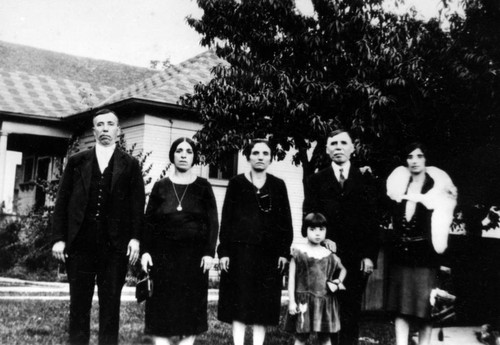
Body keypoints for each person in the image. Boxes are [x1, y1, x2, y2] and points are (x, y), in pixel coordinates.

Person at [51, 109, 145, 345]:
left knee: (110, 306)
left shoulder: (131, 165)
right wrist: (59, 238)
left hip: (114, 248)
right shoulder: (76, 162)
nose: (105, 129)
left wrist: (135, 238)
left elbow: (137, 206)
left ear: (118, 130)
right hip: (80, 245)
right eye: (100, 125)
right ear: (93, 131)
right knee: (79, 305)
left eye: (110, 124)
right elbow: (62, 202)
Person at [140, 137, 219, 345]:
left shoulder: (203, 187)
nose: (184, 155)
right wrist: (146, 251)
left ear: (194, 157)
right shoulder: (160, 187)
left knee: (190, 312)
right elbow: (148, 222)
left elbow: (213, 223)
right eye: (179, 151)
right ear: (172, 155)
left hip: (193, 261)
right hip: (162, 259)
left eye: (189, 151)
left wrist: (209, 253)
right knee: (160, 310)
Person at [303, 129, 379, 345]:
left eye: (343, 143)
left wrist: (369, 256)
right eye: (333, 143)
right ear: (327, 150)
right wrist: (321, 238)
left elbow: (372, 222)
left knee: (350, 313)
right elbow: (307, 219)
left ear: (352, 148)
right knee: (326, 314)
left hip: (356, 259)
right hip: (325, 258)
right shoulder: (315, 181)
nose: (338, 147)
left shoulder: (365, 180)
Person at [217, 138, 294, 345]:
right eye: (256, 153)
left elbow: (285, 222)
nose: (260, 157)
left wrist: (283, 253)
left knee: (263, 306)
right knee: (239, 304)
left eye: (265, 154)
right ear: (248, 156)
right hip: (240, 253)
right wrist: (223, 251)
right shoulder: (236, 183)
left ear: (270, 158)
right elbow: (227, 219)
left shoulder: (278, 185)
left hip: (269, 256)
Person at [385, 143, 457, 345]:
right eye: (410, 156)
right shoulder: (398, 189)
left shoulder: (438, 190)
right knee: (401, 309)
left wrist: (443, 261)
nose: (414, 160)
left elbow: (443, 227)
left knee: (426, 310)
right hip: (401, 258)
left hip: (426, 259)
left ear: (426, 160)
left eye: (419, 156)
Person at [285, 212, 347, 345]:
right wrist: (292, 301)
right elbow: (291, 279)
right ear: (305, 230)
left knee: (325, 337)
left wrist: (338, 281)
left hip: (324, 302)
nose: (317, 233)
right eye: (312, 229)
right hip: (304, 302)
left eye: (321, 229)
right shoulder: (298, 252)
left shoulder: (329, 254)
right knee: (301, 337)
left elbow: (343, 269)